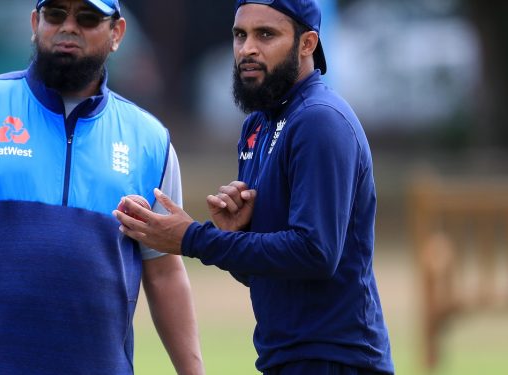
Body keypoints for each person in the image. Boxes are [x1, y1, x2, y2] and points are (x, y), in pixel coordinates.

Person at [0, 0, 205, 374]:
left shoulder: (150, 139)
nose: (69, 27)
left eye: (87, 18)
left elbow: (164, 272)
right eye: (55, 15)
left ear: (116, 34)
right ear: (35, 22)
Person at [114, 0, 394, 374]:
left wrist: (192, 238)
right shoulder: (257, 127)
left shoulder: (319, 122)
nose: (247, 48)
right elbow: (270, 273)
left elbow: (315, 253)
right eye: (240, 35)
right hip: (286, 358)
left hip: (338, 359)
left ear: (307, 43)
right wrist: (240, 234)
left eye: (266, 34)